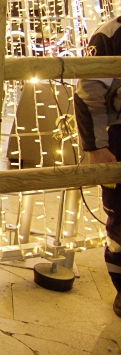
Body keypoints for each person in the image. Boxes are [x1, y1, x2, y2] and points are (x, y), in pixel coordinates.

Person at [75, 16, 121, 318]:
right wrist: (97, 146)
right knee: (120, 217)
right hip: (118, 139)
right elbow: (89, 92)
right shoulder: (110, 35)